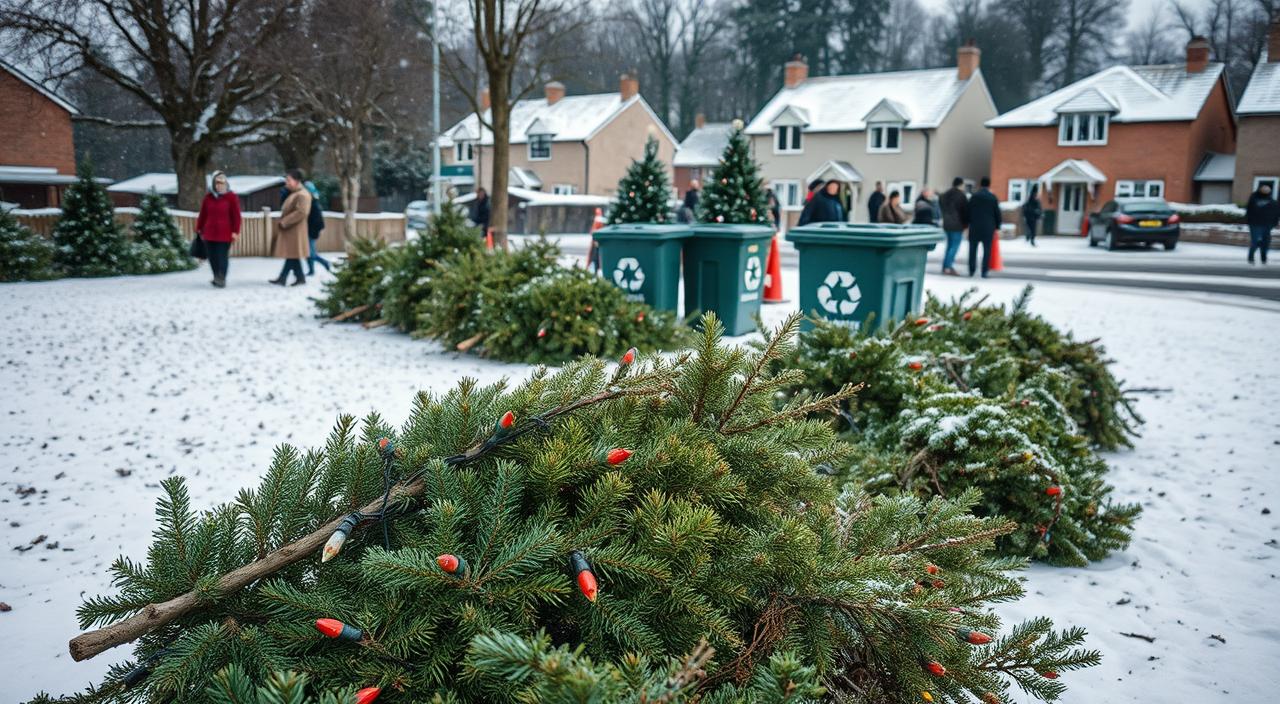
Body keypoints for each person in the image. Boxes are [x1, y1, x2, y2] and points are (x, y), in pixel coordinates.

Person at [195, 170, 240, 288]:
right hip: (209, 233)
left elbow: (236, 216)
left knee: (222, 256)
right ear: (214, 184)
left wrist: (235, 231)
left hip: (225, 234)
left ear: (226, 184)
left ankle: (222, 278)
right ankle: (216, 276)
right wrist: (199, 228)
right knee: (212, 257)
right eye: (217, 183)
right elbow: (203, 215)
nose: (220, 186)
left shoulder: (231, 197)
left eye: (222, 183)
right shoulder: (208, 198)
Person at [270, 169, 312, 286]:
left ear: (297, 181)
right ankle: (296, 277)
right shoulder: (296, 193)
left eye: (289, 180)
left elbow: (302, 212)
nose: (286, 183)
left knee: (292, 254)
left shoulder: (302, 195)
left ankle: (287, 278)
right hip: (292, 230)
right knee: (292, 254)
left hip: (295, 230)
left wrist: (285, 222)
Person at [966, 176, 1002, 278]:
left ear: (980, 184)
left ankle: (972, 270)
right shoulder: (992, 197)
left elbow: (968, 211)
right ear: (989, 185)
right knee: (987, 250)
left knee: (972, 249)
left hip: (974, 226)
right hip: (988, 227)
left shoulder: (974, 197)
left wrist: (968, 222)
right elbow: (997, 213)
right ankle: (984, 271)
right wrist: (997, 226)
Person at [939, 177, 968, 275]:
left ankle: (946, 266)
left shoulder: (945, 195)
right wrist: (965, 224)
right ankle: (947, 267)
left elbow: (941, 206)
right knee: (954, 246)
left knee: (949, 246)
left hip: (947, 224)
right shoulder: (961, 196)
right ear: (960, 184)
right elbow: (965, 211)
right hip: (957, 224)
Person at [1245, 183, 1279, 265]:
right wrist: (1249, 220)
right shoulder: (1254, 198)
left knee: (1266, 242)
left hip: (1267, 225)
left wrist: (1274, 222)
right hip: (1255, 224)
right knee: (1255, 241)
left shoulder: (1272, 201)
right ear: (1260, 189)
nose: (1266, 190)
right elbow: (1249, 210)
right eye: (1264, 188)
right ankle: (1251, 257)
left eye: (1267, 189)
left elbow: (1276, 213)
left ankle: (1263, 257)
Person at [304, 181, 331, 276]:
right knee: (308, 252)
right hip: (308, 231)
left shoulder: (314, 204)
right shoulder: (310, 203)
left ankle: (325, 263)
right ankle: (311, 270)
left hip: (311, 232)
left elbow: (319, 221)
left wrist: (316, 230)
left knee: (310, 253)